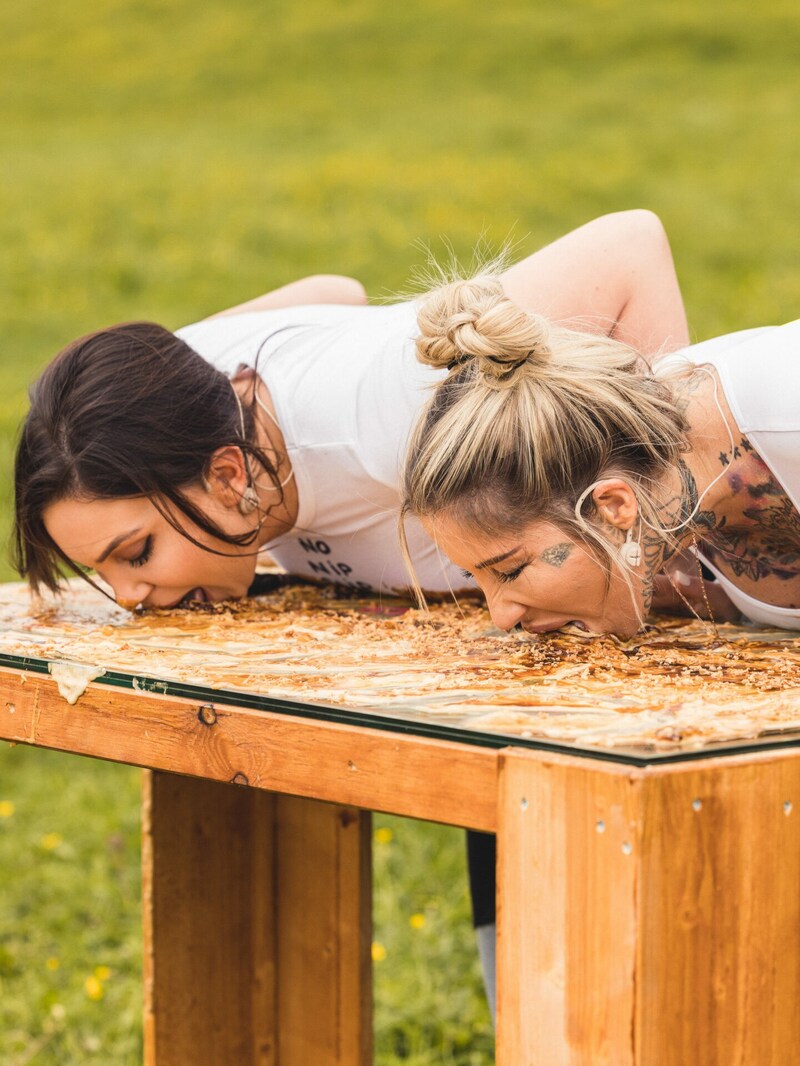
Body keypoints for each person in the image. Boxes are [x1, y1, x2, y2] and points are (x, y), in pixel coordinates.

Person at [12, 209, 689, 1026]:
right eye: (104, 568)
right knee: (523, 994)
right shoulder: (181, 397)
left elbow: (629, 246)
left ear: (229, 473)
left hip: (640, 619)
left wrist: (662, 531)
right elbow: (334, 294)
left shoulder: (384, 405)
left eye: (137, 552)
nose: (126, 595)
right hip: (521, 650)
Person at [401, 273, 800, 638]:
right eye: (475, 577)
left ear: (613, 505)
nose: (501, 618)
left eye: (511, 570)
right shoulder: (656, 477)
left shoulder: (787, 414)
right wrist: (729, 603)